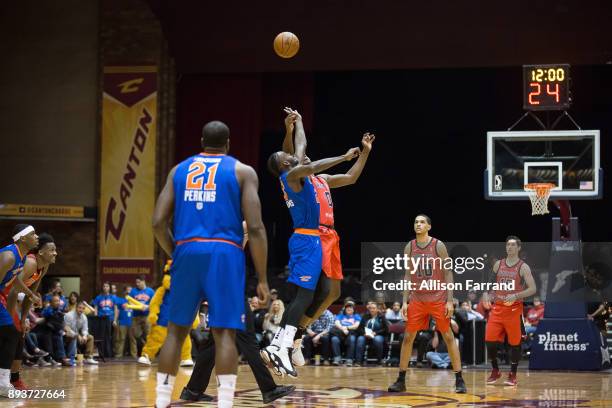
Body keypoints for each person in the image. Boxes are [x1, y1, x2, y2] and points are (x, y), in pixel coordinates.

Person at [152, 120, 270, 408]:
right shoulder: (242, 171)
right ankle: (225, 403)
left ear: (201, 141)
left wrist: (177, 252)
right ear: (228, 143)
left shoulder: (178, 170)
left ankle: (161, 401)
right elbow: (255, 228)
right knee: (225, 334)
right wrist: (263, 279)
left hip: (187, 249)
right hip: (225, 253)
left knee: (176, 333)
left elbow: (157, 222)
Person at [262, 108, 360, 378]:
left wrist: (294, 127)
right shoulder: (292, 175)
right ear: (285, 164)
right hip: (307, 237)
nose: (292, 154)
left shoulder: (295, 174)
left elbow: (299, 149)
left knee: (316, 294)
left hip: (314, 238)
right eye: (288, 157)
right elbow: (304, 154)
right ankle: (280, 345)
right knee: (303, 295)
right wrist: (343, 155)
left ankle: (285, 344)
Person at [279, 109, 375, 368]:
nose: (305, 158)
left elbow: (351, 177)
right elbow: (291, 152)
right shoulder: (297, 180)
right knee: (310, 292)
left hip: (331, 236)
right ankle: (285, 339)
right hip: (313, 234)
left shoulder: (322, 179)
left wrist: (365, 152)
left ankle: (298, 333)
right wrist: (291, 129)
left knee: (333, 293)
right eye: (303, 159)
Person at [388, 215, 467, 394]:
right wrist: (404, 302)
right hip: (417, 298)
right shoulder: (409, 247)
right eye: (416, 221)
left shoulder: (438, 245)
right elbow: (408, 275)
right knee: (408, 338)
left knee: (448, 337)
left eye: (422, 222)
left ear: (429, 226)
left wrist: (449, 300)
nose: (418, 224)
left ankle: (459, 379)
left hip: (438, 298)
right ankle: (401, 380)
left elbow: (448, 273)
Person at [180, 299, 295, 405]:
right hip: (234, 299)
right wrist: (262, 282)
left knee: (213, 345)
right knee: (249, 343)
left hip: (220, 301)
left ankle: (193, 391)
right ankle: (269, 389)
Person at [3, 232, 56, 389]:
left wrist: (23, 319)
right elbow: (13, 289)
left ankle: (14, 379)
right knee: (11, 334)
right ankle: (8, 380)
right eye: (52, 250)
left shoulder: (43, 267)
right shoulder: (31, 263)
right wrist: (10, 318)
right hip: (5, 297)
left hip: (11, 300)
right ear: (41, 252)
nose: (55, 253)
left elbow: (28, 298)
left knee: (20, 335)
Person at [484, 236, 536, 387]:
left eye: (513, 245)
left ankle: (513, 374)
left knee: (515, 344)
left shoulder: (523, 267)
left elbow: (533, 288)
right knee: (490, 341)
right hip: (498, 308)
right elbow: (490, 281)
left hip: (514, 310)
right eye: (508, 245)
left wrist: (516, 295)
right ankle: (495, 370)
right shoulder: (498, 264)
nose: (510, 247)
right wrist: (487, 292)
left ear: (519, 248)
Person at [0, 225, 41, 396]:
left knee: (11, 333)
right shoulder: (9, 256)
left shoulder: (22, 257)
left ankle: (3, 383)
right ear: (22, 238)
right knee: (10, 333)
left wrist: (30, 294)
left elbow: (15, 278)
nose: (37, 236)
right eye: (33, 234)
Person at [138, 272, 196, 367]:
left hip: (180, 322)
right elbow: (154, 303)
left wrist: (194, 319)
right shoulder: (162, 291)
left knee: (184, 339)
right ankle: (147, 355)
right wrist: (153, 314)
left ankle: (186, 357)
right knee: (155, 338)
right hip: (163, 320)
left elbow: (192, 305)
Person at [330, 300, 361, 366]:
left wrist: (347, 328)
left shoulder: (356, 316)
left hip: (351, 332)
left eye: (350, 307)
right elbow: (336, 323)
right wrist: (343, 328)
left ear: (353, 309)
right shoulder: (341, 315)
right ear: (345, 309)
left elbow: (356, 325)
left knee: (352, 339)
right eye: (347, 307)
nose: (349, 308)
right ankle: (337, 358)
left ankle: (349, 359)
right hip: (340, 332)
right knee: (334, 339)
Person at [129, 275, 155, 355]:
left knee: (148, 334)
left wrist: (148, 307)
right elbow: (130, 302)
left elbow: (154, 303)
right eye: (136, 282)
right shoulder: (133, 291)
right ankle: (144, 346)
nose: (137, 284)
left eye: (139, 282)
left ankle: (148, 353)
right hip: (136, 316)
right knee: (135, 334)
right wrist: (137, 307)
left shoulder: (150, 291)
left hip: (147, 316)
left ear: (143, 281)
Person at [114, 285, 134, 358]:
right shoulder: (120, 300)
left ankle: (134, 355)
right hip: (122, 321)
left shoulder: (135, 301)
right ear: (124, 291)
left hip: (132, 322)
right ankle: (119, 355)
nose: (129, 292)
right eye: (127, 290)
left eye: (130, 290)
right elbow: (117, 311)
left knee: (132, 339)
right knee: (121, 339)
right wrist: (115, 320)